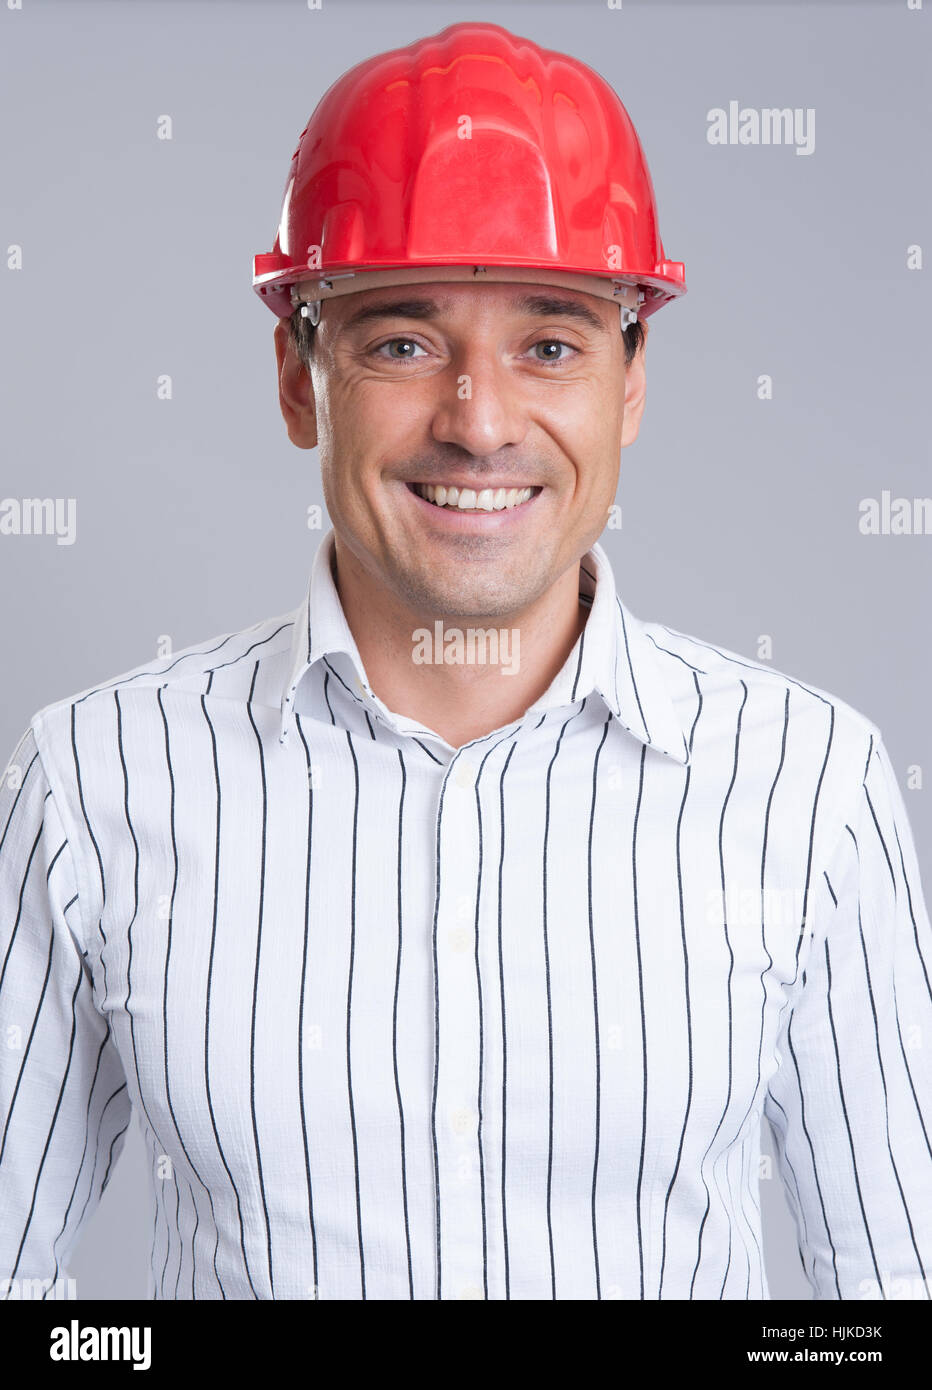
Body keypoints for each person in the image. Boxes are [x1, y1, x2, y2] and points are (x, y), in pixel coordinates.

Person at [1, 20, 930, 1303]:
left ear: (630, 383)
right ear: (296, 376)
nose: (477, 420)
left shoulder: (810, 784)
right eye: (399, 341)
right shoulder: (90, 785)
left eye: (549, 343)